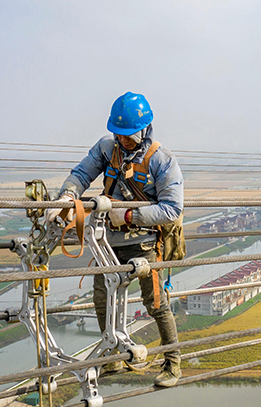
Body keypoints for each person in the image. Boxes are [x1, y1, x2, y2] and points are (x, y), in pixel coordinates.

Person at [48, 91, 183, 387]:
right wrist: (68, 196)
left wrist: (131, 216)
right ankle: (112, 358)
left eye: (128, 135)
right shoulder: (107, 149)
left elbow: (172, 208)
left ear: (145, 130)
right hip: (109, 241)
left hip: (145, 242)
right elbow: (82, 173)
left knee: (156, 303)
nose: (122, 140)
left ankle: (173, 363)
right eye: (118, 134)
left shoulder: (161, 160)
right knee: (102, 298)